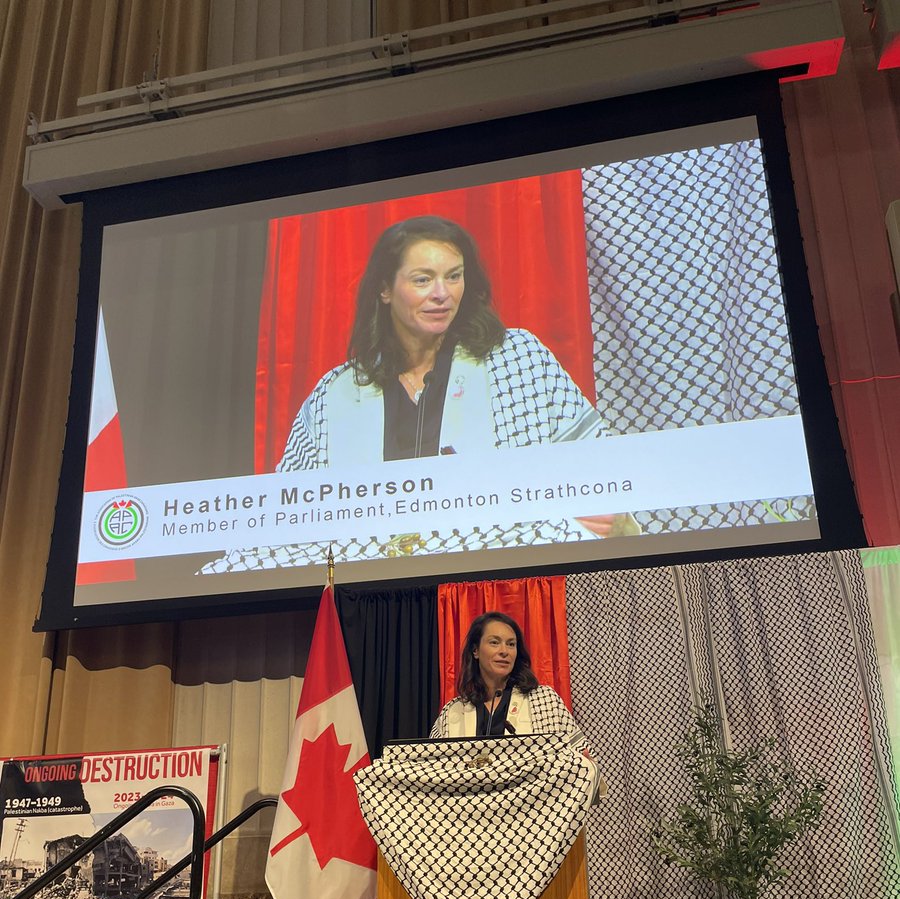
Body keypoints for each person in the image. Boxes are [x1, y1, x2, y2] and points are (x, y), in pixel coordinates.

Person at [202, 215, 638, 574]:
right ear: (385, 289)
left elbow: (595, 466)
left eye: (454, 277)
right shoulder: (335, 393)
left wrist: (605, 511)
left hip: (492, 573)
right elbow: (290, 512)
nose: (442, 294)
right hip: (371, 584)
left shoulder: (517, 357)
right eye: (423, 279)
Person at [430, 612, 594, 772]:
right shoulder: (452, 712)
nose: (504, 651)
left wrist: (586, 766)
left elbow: (585, 758)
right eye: (494, 642)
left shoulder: (546, 701)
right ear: (475, 650)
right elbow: (431, 769)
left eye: (511, 644)